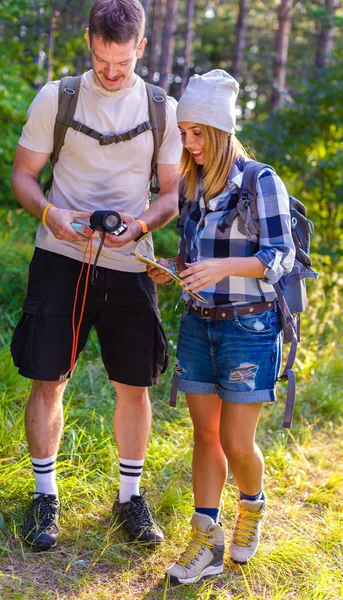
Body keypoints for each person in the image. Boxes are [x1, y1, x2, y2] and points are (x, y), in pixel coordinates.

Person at [10, 0, 181, 551]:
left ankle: (129, 498)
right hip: (59, 256)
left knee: (134, 384)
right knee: (48, 377)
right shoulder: (55, 97)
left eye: (122, 63)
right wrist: (49, 214)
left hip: (130, 262)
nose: (110, 73)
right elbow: (23, 176)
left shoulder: (163, 108)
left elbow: (175, 193)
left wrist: (143, 224)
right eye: (102, 60)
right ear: (89, 40)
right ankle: (44, 495)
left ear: (142, 49)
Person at [147, 70, 295, 583]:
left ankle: (252, 507)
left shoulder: (260, 180)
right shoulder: (192, 185)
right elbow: (197, 257)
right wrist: (171, 266)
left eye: (197, 134)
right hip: (198, 326)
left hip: (248, 329)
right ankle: (205, 540)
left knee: (236, 442)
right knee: (204, 436)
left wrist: (225, 268)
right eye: (183, 133)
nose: (189, 144)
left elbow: (280, 257)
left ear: (221, 131)